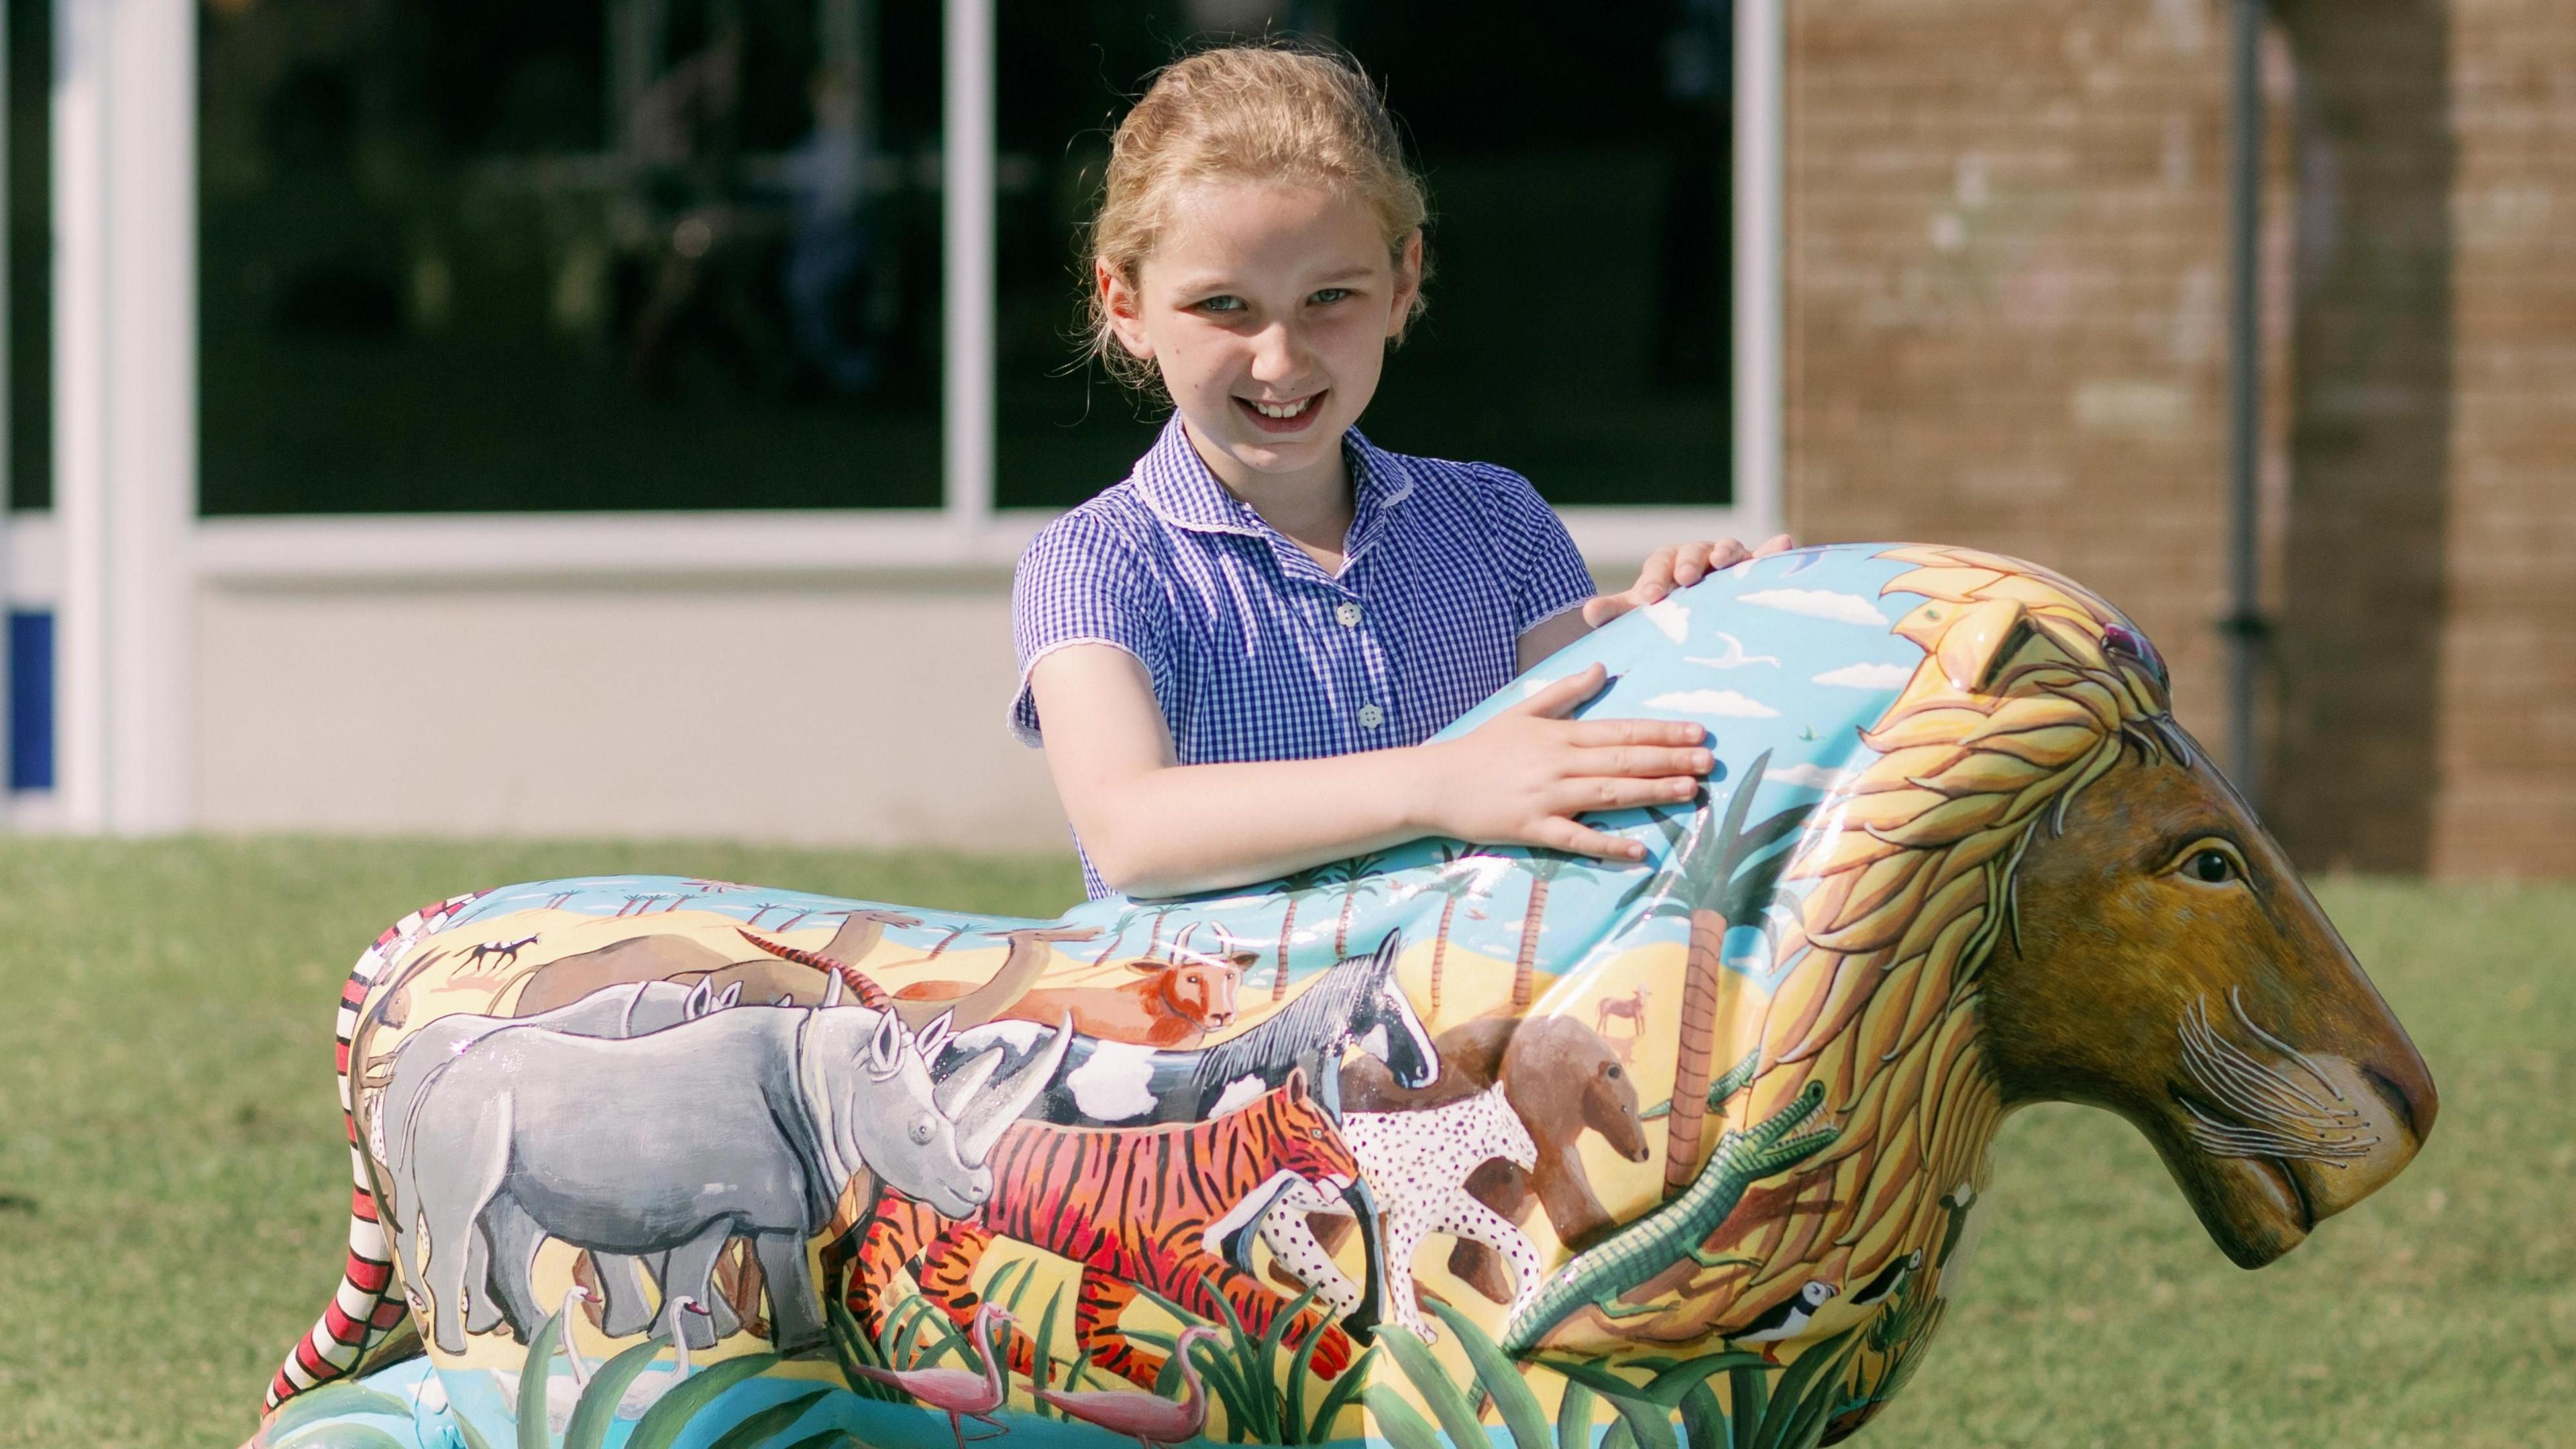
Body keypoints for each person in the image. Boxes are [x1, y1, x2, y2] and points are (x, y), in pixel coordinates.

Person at [1012, 44, 1790, 902]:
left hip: (1481, 1029)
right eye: (1223, 305)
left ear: (1401, 279)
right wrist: (1438, 783)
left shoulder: (1499, 523)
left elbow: (1600, 769)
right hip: (1219, 1035)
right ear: (1127, 306)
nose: (1281, 360)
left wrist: (1694, 640)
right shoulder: (1094, 561)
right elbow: (1134, 831)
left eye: (1329, 298)